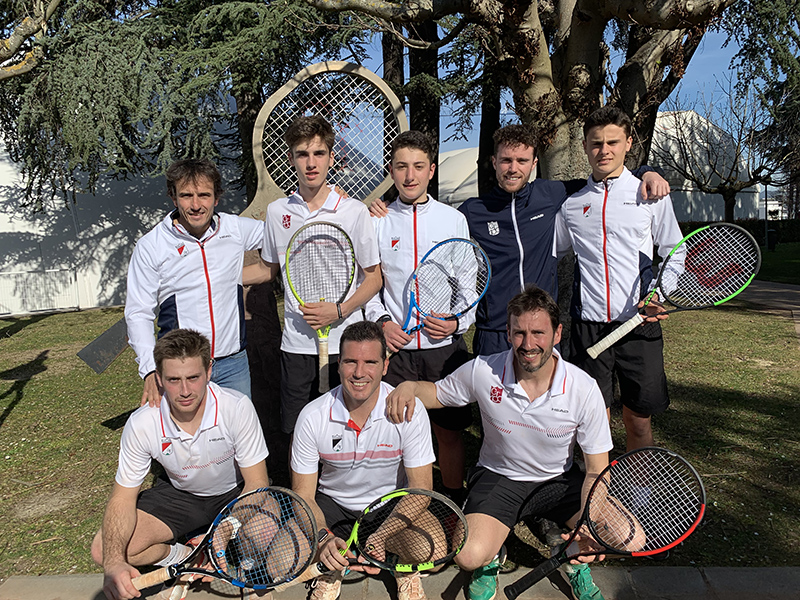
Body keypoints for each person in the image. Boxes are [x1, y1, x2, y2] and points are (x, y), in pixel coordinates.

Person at [386, 287, 613, 600]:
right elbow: (437, 394)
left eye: (538, 333)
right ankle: (492, 555)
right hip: (500, 478)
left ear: (557, 334)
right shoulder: (484, 370)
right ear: (507, 333)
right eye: (519, 333)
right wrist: (410, 386)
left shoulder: (584, 388)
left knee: (627, 536)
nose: (528, 344)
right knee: (467, 556)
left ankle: (571, 553)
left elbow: (596, 471)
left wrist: (588, 521)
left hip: (559, 480)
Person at [370, 125, 670, 356]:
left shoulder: (551, 195)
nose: (513, 168)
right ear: (494, 162)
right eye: (506, 160)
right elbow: (424, 224)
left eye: (522, 160)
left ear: (534, 163)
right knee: (495, 420)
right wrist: (379, 205)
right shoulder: (471, 212)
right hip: (494, 331)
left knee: (544, 417)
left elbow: (605, 177)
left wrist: (645, 172)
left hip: (541, 330)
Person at [91, 329, 269, 600]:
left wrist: (228, 525)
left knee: (264, 535)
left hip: (234, 493)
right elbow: (122, 498)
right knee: (104, 549)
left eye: (193, 378)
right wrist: (114, 562)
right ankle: (184, 557)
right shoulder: (142, 423)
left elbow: (258, 483)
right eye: (173, 380)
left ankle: (248, 571)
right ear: (159, 378)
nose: (185, 391)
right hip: (181, 495)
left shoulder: (236, 407)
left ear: (209, 371)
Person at [244, 115, 382, 436]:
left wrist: (339, 310)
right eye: (302, 154)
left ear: (331, 158)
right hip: (295, 346)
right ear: (291, 158)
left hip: (346, 344)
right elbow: (267, 269)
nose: (311, 163)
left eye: (319, 154)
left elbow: (374, 277)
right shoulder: (279, 213)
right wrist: (215, 275)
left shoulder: (354, 211)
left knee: (345, 432)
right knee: (297, 434)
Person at [555, 106, 683, 451]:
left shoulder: (650, 194)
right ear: (584, 146)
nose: (604, 150)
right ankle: (600, 492)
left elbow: (674, 251)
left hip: (639, 325)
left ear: (628, 144)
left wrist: (661, 293)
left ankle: (638, 492)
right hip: (589, 327)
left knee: (638, 419)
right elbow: (552, 251)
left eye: (613, 142)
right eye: (596, 143)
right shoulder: (571, 204)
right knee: (594, 417)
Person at [364, 130, 474, 505]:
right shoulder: (376, 219)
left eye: (418, 167)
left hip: (444, 349)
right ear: (390, 170)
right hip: (397, 351)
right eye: (401, 167)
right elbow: (371, 287)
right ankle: (399, 507)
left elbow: (469, 287)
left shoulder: (452, 219)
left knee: (448, 433)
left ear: (431, 170)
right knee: (397, 430)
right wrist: (383, 324)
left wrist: (457, 322)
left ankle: (452, 503)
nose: (409, 176)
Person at [292, 321, 436, 600]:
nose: (359, 373)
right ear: (338, 365)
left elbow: (421, 489)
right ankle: (331, 565)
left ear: (384, 366)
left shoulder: (409, 411)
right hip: (333, 506)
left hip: (389, 506)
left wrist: (382, 535)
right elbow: (303, 495)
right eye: (350, 362)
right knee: (285, 552)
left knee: (431, 545)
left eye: (370, 362)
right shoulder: (312, 415)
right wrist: (323, 538)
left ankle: (403, 569)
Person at [125, 159, 263, 407]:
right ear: (173, 197)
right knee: (186, 442)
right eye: (187, 195)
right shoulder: (151, 246)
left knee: (236, 440)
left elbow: (287, 230)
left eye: (204, 195)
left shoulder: (234, 229)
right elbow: (138, 312)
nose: (196, 205)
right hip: (183, 368)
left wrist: (330, 196)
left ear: (217, 198)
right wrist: (148, 369)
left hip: (233, 364)